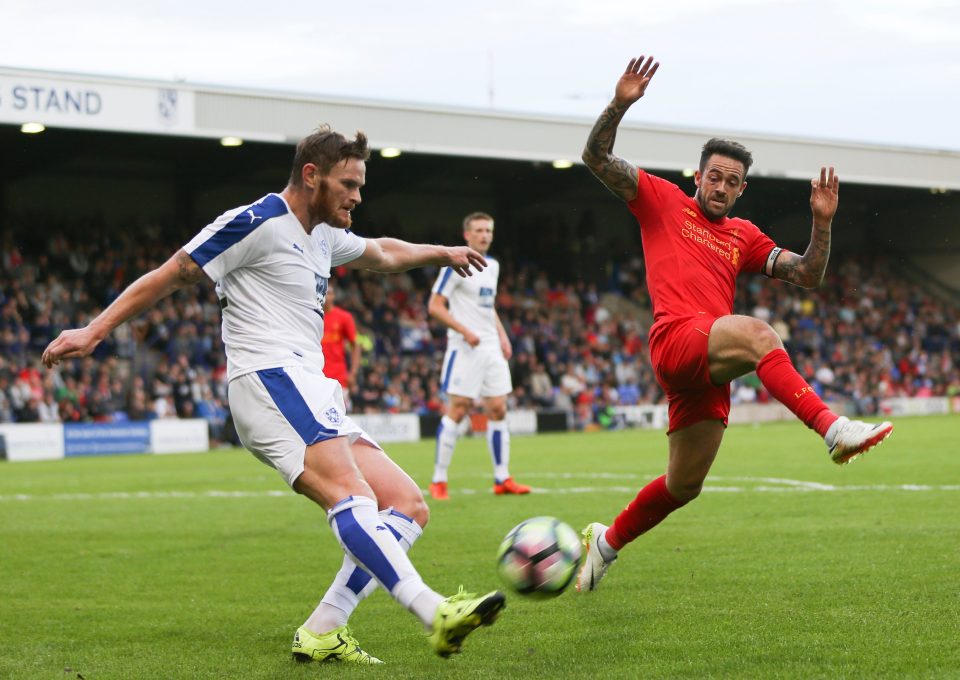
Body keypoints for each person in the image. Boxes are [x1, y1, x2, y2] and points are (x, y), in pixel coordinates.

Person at [42, 125, 506, 662]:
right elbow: (172, 272)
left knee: (406, 503)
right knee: (352, 497)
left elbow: (382, 252)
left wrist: (443, 252)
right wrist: (94, 331)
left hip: (309, 385)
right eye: (349, 184)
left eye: (360, 185)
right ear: (312, 176)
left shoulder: (327, 235)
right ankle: (434, 611)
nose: (358, 196)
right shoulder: (256, 222)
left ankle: (324, 628)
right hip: (267, 379)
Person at [574, 56, 894, 592]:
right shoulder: (662, 200)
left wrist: (821, 224)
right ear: (697, 177)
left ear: (742, 190)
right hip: (676, 339)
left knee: (683, 485)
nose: (721, 187)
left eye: (732, 182)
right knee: (760, 334)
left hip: (708, 366)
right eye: (714, 177)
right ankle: (833, 430)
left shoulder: (743, 234)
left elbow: (809, 275)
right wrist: (619, 105)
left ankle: (606, 544)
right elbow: (595, 156)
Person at [427, 212, 531, 500]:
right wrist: (464, 330)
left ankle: (502, 478)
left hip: (490, 348)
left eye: (488, 230)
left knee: (498, 409)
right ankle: (439, 480)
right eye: (479, 230)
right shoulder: (454, 264)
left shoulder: (492, 266)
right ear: (467, 235)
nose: (485, 235)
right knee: (459, 408)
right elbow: (435, 306)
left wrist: (502, 335)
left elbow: (488, 306)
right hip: (464, 347)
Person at [320, 280, 362, 399]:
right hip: (317, 376)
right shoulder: (313, 317)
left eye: (329, 293)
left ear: (334, 296)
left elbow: (356, 346)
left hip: (338, 377)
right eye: (323, 292)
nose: (326, 296)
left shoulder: (344, 317)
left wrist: (353, 373)